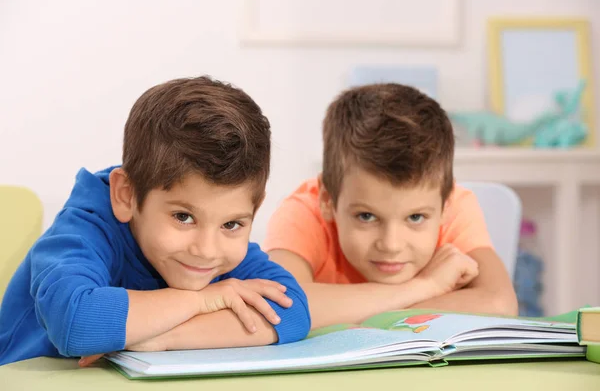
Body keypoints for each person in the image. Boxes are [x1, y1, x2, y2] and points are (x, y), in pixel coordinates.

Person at [0, 76, 310, 366]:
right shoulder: (85, 229)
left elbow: (292, 310)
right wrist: (203, 301)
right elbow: (76, 323)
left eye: (232, 224)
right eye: (183, 217)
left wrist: (163, 338)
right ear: (126, 195)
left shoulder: (217, 255)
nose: (206, 250)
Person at [264, 83, 517, 329]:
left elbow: (499, 303)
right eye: (366, 216)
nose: (391, 245)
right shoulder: (304, 212)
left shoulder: (455, 206)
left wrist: (364, 313)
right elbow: (285, 307)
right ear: (328, 200)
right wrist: (425, 286)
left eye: (416, 218)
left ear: (445, 206)